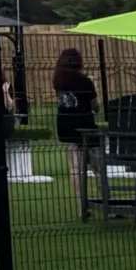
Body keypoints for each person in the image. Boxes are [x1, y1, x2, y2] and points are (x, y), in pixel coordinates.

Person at [53, 47, 98, 207]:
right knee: (97, 166)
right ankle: (105, 198)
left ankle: (81, 205)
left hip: (65, 124)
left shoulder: (58, 81)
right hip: (85, 125)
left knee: (75, 167)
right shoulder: (85, 81)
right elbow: (95, 106)